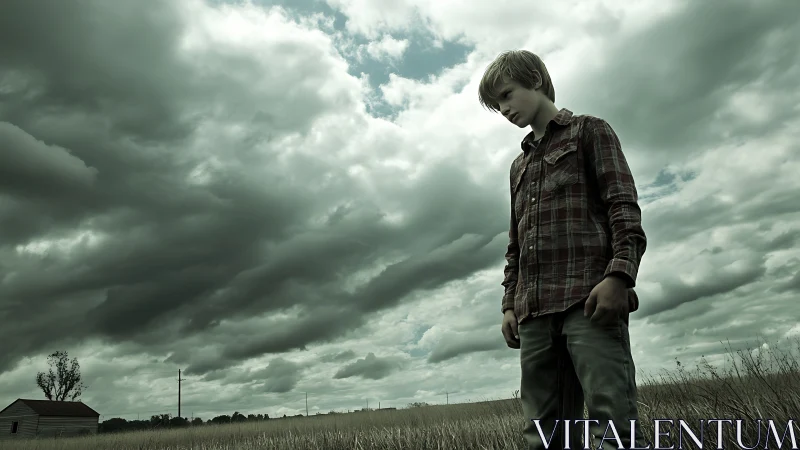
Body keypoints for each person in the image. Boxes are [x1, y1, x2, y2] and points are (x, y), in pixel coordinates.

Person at [478, 50, 648, 450]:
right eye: (497, 105)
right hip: (533, 313)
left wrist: (619, 275)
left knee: (614, 428)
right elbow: (516, 243)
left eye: (507, 95)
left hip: (588, 300)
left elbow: (623, 206)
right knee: (544, 436)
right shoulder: (518, 167)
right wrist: (509, 304)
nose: (504, 110)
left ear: (535, 80)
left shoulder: (589, 131)